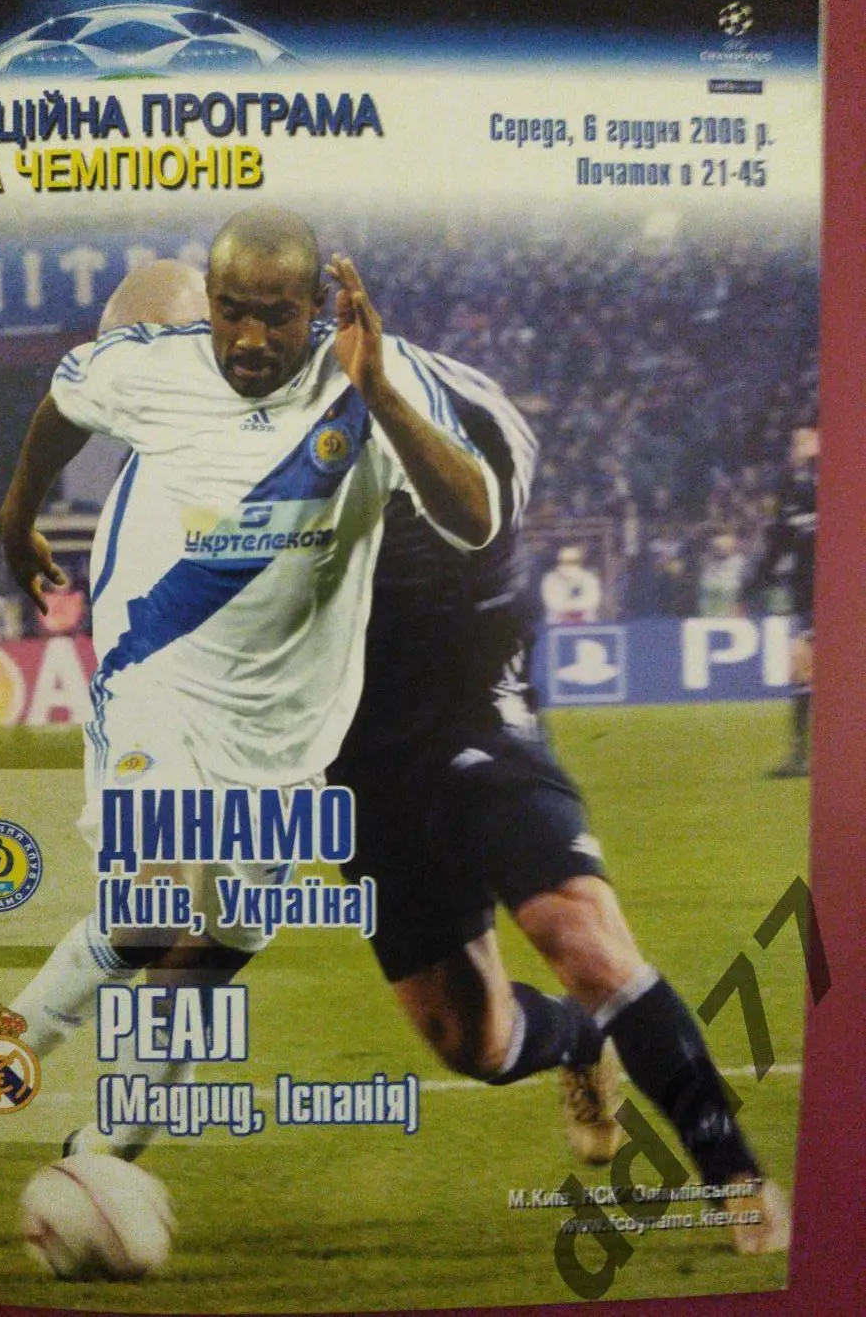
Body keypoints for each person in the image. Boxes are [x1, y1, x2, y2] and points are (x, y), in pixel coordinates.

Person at [0, 208, 500, 1211]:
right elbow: (64, 401)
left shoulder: (367, 386)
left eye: (275, 316)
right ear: (206, 306)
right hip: (157, 692)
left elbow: (473, 516)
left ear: (315, 309)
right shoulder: (148, 374)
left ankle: (100, 1155)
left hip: (290, 736)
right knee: (154, 904)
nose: (248, 339)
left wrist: (380, 390)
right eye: (229, 313)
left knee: (209, 956)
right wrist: (15, 514)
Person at [325, 377, 790, 1256]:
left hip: (475, 724)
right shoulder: (264, 490)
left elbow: (485, 494)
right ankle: (578, 1039)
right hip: (365, 777)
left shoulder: (459, 481)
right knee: (469, 1042)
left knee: (578, 935)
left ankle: (730, 1171)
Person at [744, 423, 818, 778]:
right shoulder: (792, 489)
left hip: (838, 592)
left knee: (804, 666)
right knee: (802, 668)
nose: (797, 446)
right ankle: (799, 757)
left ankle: (800, 757)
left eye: (804, 439)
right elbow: (778, 542)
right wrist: (755, 585)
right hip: (806, 592)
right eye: (795, 441)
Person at [540, 544, 602, 623]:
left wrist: (570, 606)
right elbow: (553, 604)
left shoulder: (589, 578)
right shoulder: (550, 579)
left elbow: (592, 602)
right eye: (566, 560)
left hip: (586, 621)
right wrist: (574, 606)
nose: (569, 564)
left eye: (573, 560)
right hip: (556, 622)